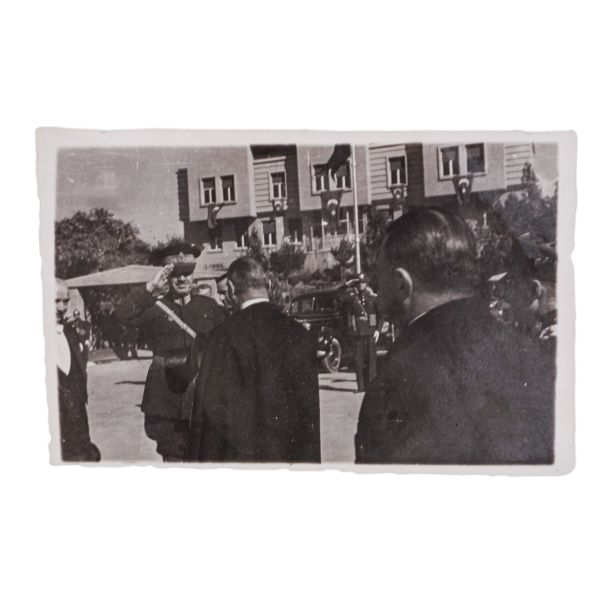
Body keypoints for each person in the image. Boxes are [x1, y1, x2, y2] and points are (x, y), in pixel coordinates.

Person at [355, 208, 555, 464]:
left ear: (401, 283)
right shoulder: (537, 355)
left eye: (378, 276)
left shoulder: (395, 384)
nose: (376, 287)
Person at [189, 257, 321, 463]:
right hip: (290, 461)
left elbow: (210, 415)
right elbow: (309, 414)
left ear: (231, 288)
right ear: (266, 284)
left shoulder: (223, 337)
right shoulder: (300, 334)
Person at [115, 243, 225, 461]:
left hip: (202, 397)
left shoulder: (209, 307)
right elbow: (120, 314)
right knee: (172, 458)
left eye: (187, 273)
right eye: (175, 274)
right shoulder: (155, 308)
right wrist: (150, 287)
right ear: (166, 276)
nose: (182, 279)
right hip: (167, 400)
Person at [55, 279, 100, 462]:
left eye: (65, 301)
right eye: (55, 301)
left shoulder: (70, 333)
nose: (61, 308)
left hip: (78, 438)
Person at [342, 273, 378, 392]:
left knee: (371, 361)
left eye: (363, 283)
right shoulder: (352, 297)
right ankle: (361, 387)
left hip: (370, 332)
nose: (361, 285)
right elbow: (340, 295)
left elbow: (380, 314)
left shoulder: (372, 296)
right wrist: (347, 284)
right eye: (359, 283)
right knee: (358, 361)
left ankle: (371, 387)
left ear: (366, 283)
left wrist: (377, 330)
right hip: (358, 333)